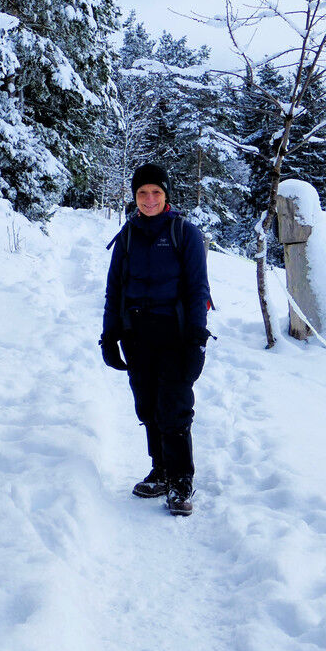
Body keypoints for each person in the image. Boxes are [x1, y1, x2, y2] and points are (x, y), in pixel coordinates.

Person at [99, 163, 211, 516]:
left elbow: (198, 289)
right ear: (134, 196)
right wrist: (109, 335)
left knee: (174, 409)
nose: (149, 199)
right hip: (137, 335)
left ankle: (180, 481)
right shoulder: (128, 235)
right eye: (142, 193)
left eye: (156, 193)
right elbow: (114, 289)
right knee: (147, 406)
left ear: (167, 196)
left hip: (176, 336)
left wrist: (197, 338)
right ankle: (160, 470)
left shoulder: (185, 233)